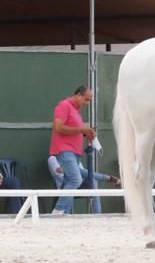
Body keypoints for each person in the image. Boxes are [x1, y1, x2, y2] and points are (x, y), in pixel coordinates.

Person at [49, 85, 96, 215]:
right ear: (78, 95)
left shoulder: (75, 110)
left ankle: (65, 212)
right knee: (76, 180)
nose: (87, 103)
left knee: (70, 182)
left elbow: (73, 130)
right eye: (86, 100)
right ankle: (58, 210)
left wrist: (86, 134)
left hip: (74, 151)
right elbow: (58, 127)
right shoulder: (64, 105)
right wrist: (82, 130)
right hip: (64, 150)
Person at [47, 152, 121, 214]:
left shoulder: (73, 156)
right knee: (71, 181)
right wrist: (72, 169)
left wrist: (71, 169)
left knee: (92, 181)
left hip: (79, 184)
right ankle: (107, 178)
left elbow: (82, 173)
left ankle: (98, 215)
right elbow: (61, 174)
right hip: (65, 186)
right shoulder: (52, 158)